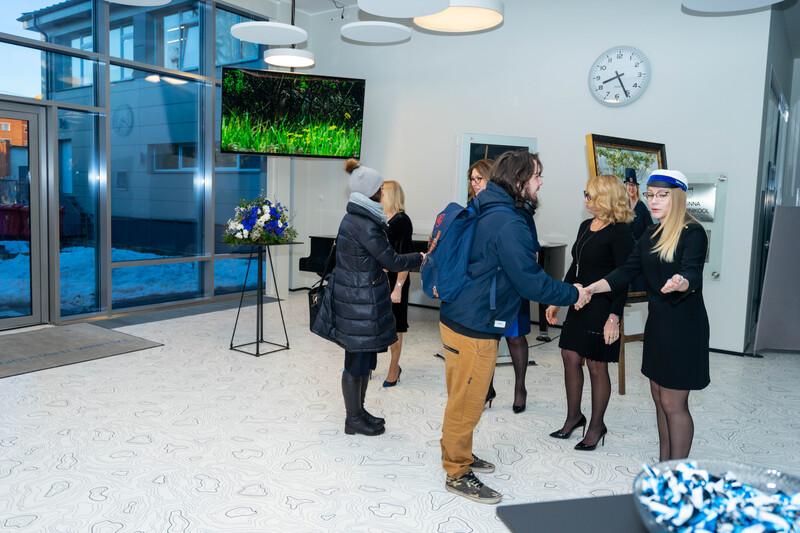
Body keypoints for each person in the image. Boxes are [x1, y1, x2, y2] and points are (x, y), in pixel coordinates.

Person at [437, 150, 591, 504]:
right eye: (536, 176)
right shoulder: (508, 222)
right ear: (520, 181)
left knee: (461, 396)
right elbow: (531, 282)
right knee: (467, 403)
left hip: (460, 316)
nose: (540, 183)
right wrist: (573, 294)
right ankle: (457, 471)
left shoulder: (489, 206)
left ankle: (459, 452)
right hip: (474, 325)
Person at [582, 169, 709, 461]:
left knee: (674, 403)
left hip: (685, 329)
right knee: (659, 399)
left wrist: (681, 282)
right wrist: (591, 289)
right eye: (650, 195)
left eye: (662, 195)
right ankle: (664, 466)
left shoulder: (693, 232)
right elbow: (625, 271)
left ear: (678, 197)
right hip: (658, 325)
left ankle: (676, 474)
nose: (654, 201)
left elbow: (692, 273)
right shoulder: (650, 233)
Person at [333, 159, 423, 436]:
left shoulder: (357, 218)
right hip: (359, 302)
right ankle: (353, 419)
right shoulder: (365, 224)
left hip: (358, 298)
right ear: (371, 192)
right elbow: (391, 260)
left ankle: (359, 412)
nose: (383, 192)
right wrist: (421, 258)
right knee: (356, 363)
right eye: (380, 188)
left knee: (362, 361)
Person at [545, 175, 634, 451]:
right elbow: (576, 266)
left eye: (590, 194)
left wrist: (614, 318)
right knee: (570, 356)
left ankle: (596, 426)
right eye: (585, 193)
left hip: (603, 304)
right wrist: (559, 298)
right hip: (580, 301)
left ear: (606, 198)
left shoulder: (620, 232)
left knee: (596, 365)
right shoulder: (586, 225)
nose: (585, 199)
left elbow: (624, 277)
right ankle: (574, 417)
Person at [468, 158, 534, 414]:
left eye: (479, 178)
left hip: (512, 285)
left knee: (515, 337)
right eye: (472, 179)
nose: (475, 184)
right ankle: (487, 388)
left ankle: (520, 388)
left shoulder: (519, 212)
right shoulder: (473, 209)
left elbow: (530, 252)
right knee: (487, 340)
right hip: (485, 286)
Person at [380, 180, 413, 387]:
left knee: (396, 326)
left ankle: (394, 368)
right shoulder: (383, 219)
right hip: (380, 280)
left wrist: (398, 288)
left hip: (395, 281)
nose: (379, 195)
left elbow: (405, 258)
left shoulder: (402, 221)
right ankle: (369, 364)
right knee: (378, 324)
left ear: (391, 195)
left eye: (382, 192)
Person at [624, 168, 653, 242]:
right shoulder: (623, 207)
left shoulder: (642, 207)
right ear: (626, 187)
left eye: (633, 185)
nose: (631, 188)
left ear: (637, 188)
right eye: (629, 185)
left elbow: (650, 229)